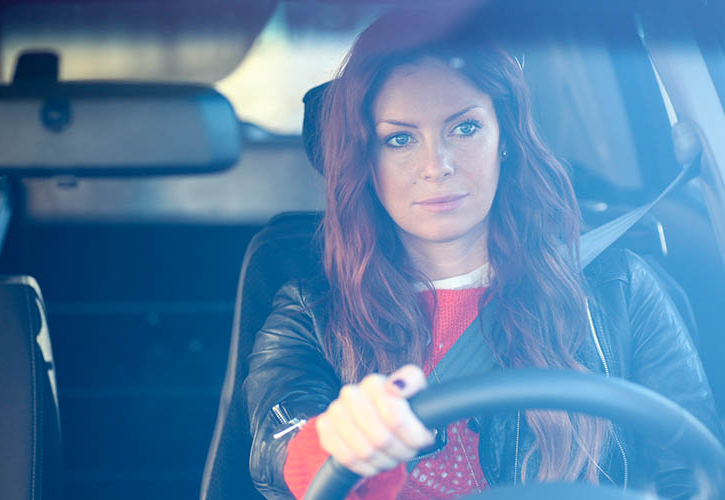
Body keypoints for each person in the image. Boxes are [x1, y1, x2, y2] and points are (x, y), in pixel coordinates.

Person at [243, 7, 723, 500]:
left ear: (505, 139)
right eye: (400, 139)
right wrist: (340, 439)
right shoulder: (309, 314)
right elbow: (277, 447)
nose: (437, 166)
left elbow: (693, 469)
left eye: (464, 128)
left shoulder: (621, 289)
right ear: (366, 161)